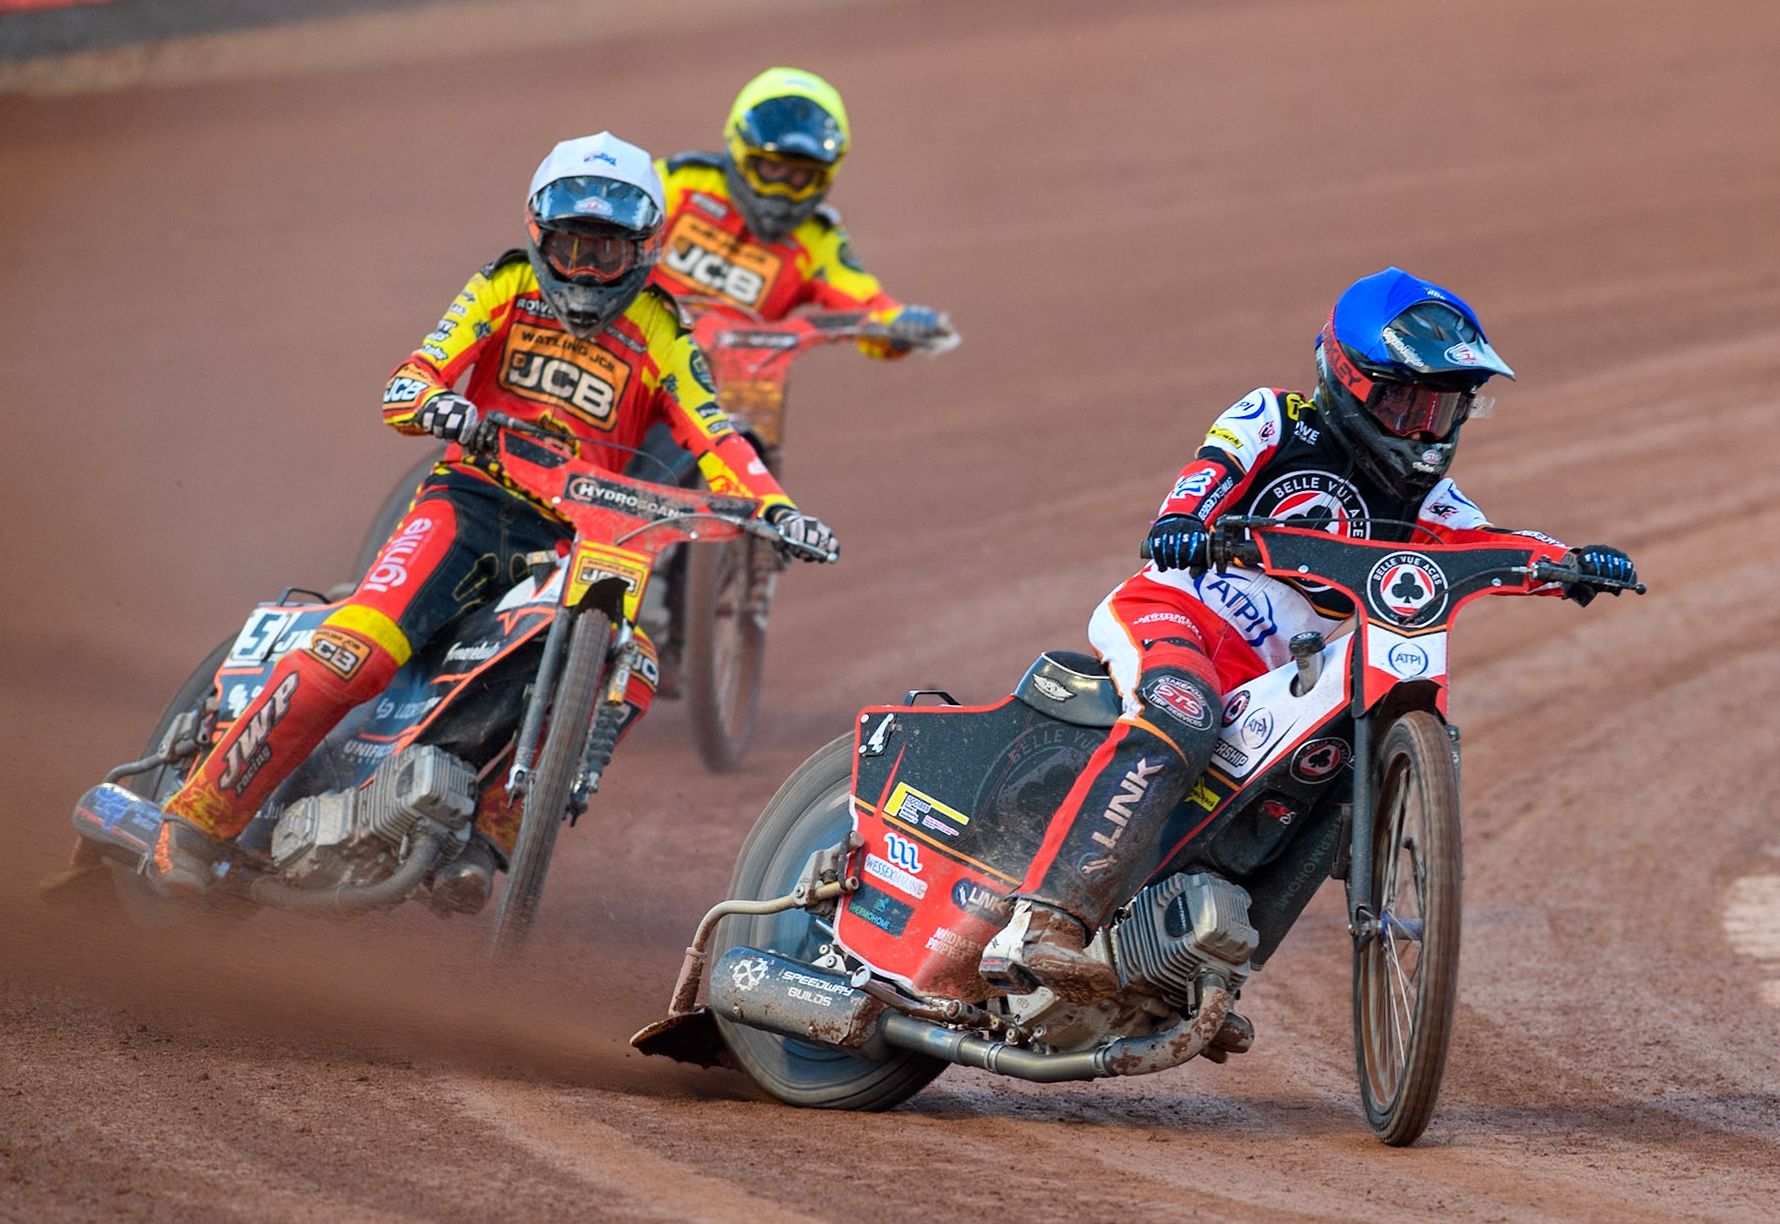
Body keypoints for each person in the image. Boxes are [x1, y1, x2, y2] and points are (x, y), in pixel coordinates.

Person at [147, 131, 839, 894]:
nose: (585, 270)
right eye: (571, 247)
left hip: (573, 538)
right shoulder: (504, 285)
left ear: (644, 250)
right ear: (539, 234)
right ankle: (194, 819)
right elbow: (411, 379)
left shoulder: (662, 330)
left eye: (607, 253)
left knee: (630, 667)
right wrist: (435, 403)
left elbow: (715, 433)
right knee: (357, 652)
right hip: (468, 504)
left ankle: (490, 837)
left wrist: (777, 509)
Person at [984, 267, 1638, 1003]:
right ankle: (1043, 922)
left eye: (1442, 409)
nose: (1423, 429)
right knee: (1181, 711)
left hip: (1269, 677)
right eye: (1405, 402)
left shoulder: (1428, 499)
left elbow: (1486, 542)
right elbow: (1213, 465)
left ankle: (1200, 973)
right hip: (1173, 613)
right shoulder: (1276, 417)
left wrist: (1568, 564)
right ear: (1349, 380)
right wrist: (1181, 519)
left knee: (1338, 765)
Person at [651, 66, 947, 357]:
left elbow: (866, 303)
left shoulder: (818, 239)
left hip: (730, 381)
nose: (781, 189)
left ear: (823, 177)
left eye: (799, 176)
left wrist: (899, 323)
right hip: (634, 352)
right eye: (772, 168)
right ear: (742, 153)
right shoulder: (682, 181)